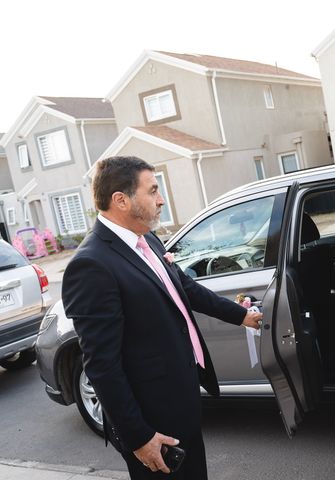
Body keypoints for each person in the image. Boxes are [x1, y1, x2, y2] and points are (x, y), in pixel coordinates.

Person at [62, 156, 262, 479]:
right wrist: (139, 437)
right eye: (153, 190)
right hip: (152, 422)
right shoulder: (91, 265)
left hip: (182, 399)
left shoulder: (147, 239)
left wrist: (242, 316)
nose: (161, 199)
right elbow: (101, 365)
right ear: (121, 200)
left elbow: (185, 288)